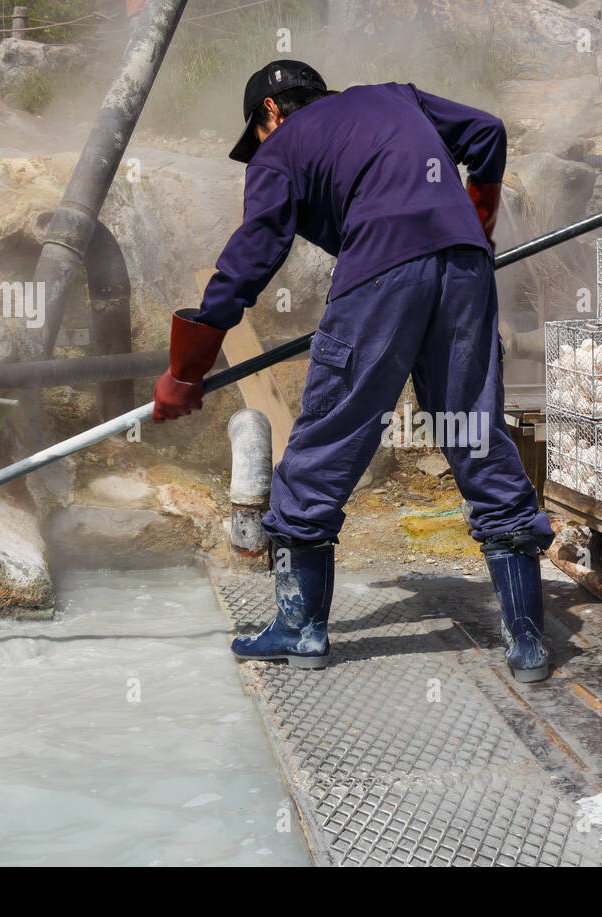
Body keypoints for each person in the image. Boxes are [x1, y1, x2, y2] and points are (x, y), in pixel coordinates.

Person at [152, 61, 555, 683]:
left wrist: (186, 368)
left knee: (329, 438)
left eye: (256, 132)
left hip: (379, 277)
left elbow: (253, 253)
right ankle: (527, 641)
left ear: (270, 113)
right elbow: (488, 132)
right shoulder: (397, 96)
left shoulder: (279, 149)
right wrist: (479, 216)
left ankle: (300, 628)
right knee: (475, 433)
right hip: (466, 273)